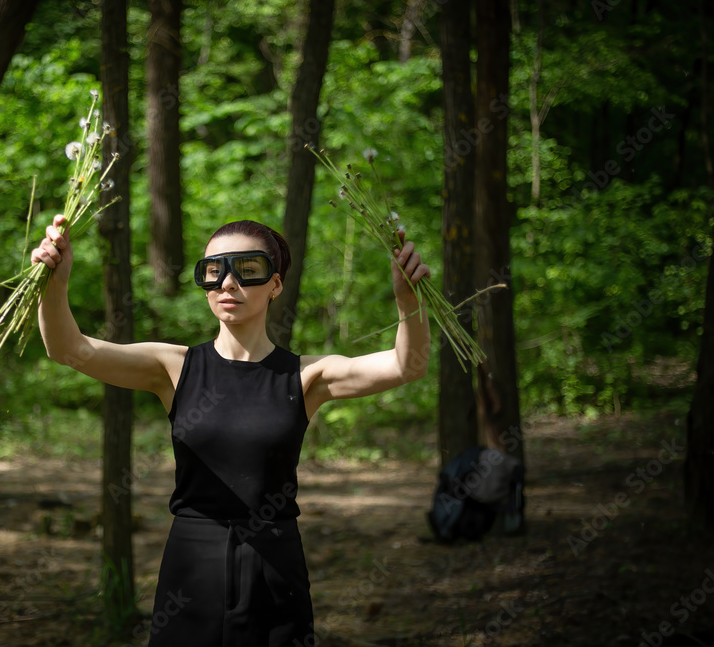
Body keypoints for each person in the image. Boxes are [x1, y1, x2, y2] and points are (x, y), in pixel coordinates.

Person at [32, 215, 431, 646]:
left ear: (275, 284)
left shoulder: (305, 376)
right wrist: (55, 280)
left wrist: (408, 299)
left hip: (276, 569)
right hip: (191, 567)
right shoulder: (174, 367)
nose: (227, 283)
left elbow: (406, 365)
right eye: (213, 270)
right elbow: (68, 348)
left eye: (247, 269)